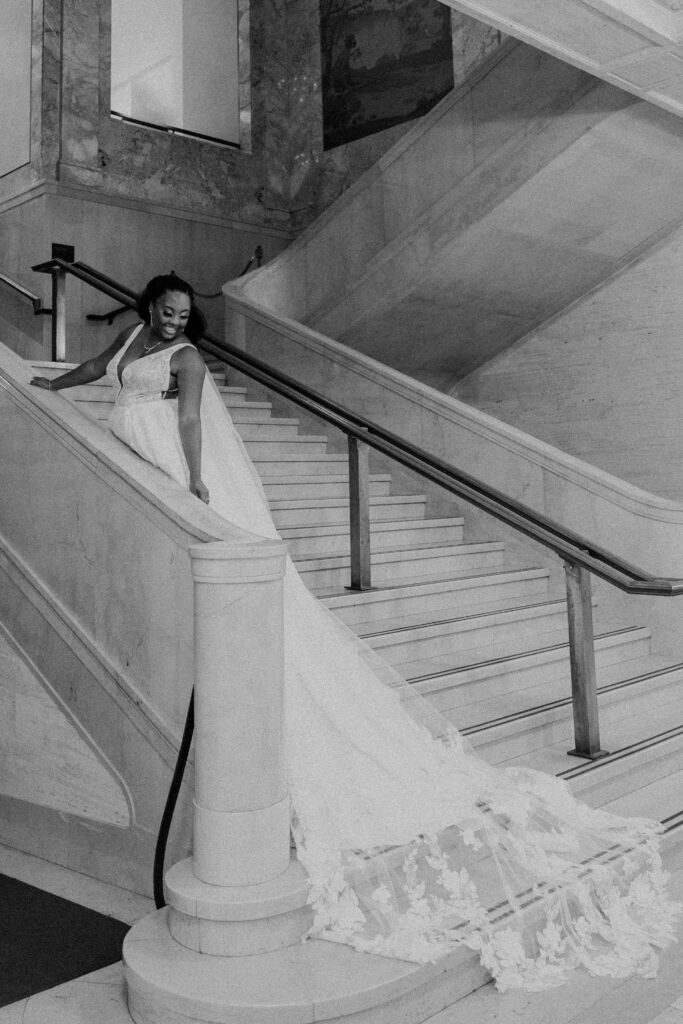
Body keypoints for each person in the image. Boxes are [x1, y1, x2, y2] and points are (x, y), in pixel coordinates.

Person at [31, 274, 680, 991]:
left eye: (185, 312)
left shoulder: (186, 359)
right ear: (149, 303)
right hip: (135, 443)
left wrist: (194, 480)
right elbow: (95, 370)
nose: (173, 316)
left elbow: (188, 421)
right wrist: (50, 387)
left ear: (192, 321)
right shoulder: (129, 339)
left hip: (165, 457)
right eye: (166, 306)